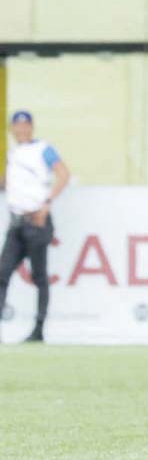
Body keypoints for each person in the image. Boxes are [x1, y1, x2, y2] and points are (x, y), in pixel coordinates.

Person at [0, 111, 69, 343]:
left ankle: (39, 329)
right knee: (2, 273)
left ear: (31, 127)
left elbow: (63, 174)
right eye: (17, 126)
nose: (21, 130)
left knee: (39, 276)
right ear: (12, 129)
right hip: (16, 222)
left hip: (36, 221)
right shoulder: (13, 154)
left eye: (25, 125)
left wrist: (47, 203)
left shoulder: (43, 149)